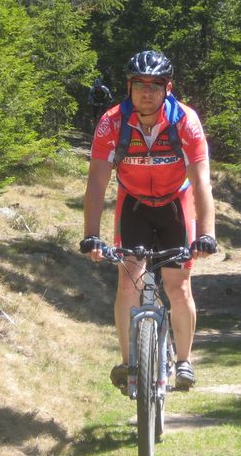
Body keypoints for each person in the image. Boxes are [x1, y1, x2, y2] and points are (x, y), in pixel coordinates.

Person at [79, 50, 217, 391]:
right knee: (129, 282)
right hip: (134, 205)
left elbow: (202, 183)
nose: (147, 91)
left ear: (168, 88)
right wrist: (91, 236)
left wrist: (206, 234)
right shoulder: (111, 123)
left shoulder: (185, 121)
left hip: (175, 205)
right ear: (129, 87)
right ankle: (130, 364)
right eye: (139, 84)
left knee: (178, 286)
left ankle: (183, 361)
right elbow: (96, 184)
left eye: (155, 85)